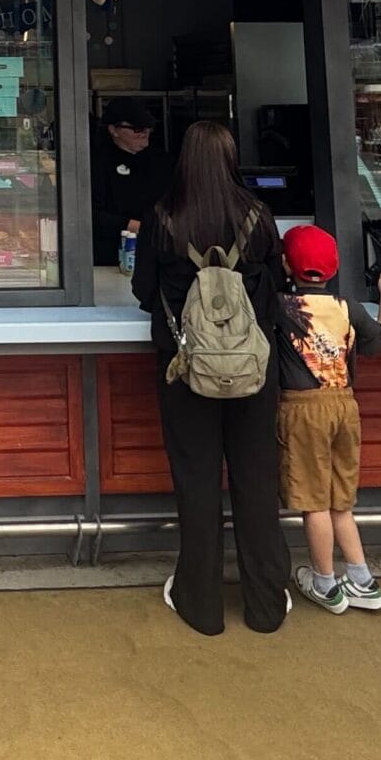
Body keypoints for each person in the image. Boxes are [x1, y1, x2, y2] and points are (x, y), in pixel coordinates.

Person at [132, 118, 291, 635]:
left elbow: (143, 290)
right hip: (252, 367)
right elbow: (277, 288)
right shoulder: (259, 215)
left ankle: (199, 603)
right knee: (256, 479)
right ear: (230, 157)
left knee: (197, 481)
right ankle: (266, 604)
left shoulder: (163, 217)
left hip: (185, 367)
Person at [275, 223, 381, 613]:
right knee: (341, 502)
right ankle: (362, 579)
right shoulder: (348, 307)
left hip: (303, 408)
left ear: (285, 264)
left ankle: (326, 584)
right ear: (333, 269)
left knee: (315, 503)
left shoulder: (282, 307)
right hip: (345, 406)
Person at [92, 97, 172, 268]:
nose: (144, 133)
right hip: (111, 254)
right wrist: (129, 224)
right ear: (114, 129)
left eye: (148, 128)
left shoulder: (160, 161)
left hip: (155, 249)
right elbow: (89, 214)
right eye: (137, 128)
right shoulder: (96, 163)